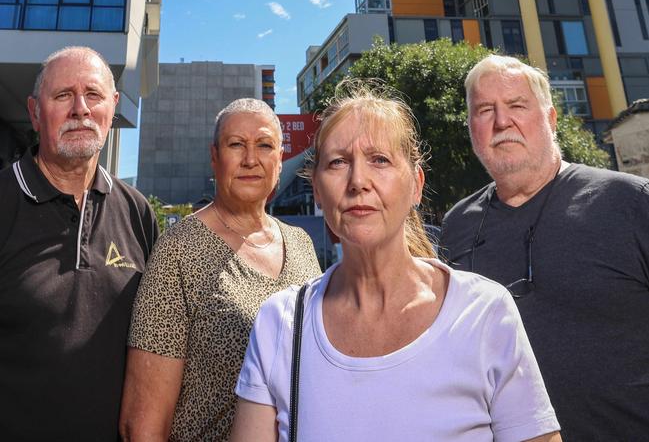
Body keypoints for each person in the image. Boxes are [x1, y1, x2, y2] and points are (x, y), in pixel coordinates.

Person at [230, 85, 561, 442]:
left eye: (380, 160)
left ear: (416, 185)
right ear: (318, 193)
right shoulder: (278, 324)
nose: (358, 181)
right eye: (338, 162)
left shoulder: (485, 313)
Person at [441, 55, 649, 441]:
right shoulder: (456, 227)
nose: (502, 122)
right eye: (485, 110)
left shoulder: (630, 202)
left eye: (517, 105)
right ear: (472, 129)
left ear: (551, 119)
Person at [119, 98, 321, 441]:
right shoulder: (178, 251)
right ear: (215, 157)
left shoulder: (301, 244)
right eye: (236, 145)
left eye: (264, 145)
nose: (251, 159)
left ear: (279, 159)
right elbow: (141, 424)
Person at [0, 46, 158, 440]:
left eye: (93, 95)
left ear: (113, 107)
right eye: (63, 96)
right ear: (35, 113)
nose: (80, 110)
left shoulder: (137, 212)